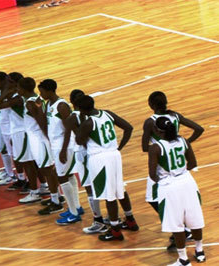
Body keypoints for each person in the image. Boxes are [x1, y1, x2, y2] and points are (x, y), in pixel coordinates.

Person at [142, 91, 204, 250]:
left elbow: (144, 147)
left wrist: (160, 150)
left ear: (151, 105)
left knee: (152, 198)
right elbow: (199, 129)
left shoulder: (150, 122)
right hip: (178, 167)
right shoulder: (175, 116)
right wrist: (185, 144)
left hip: (162, 168)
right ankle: (185, 228)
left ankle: (182, 228)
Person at [76, 94, 138, 240]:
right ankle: (130, 220)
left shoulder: (88, 123)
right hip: (114, 155)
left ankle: (115, 229)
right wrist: (119, 146)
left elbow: (79, 140)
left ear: (80, 109)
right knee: (120, 189)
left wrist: (80, 125)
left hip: (99, 158)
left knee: (109, 195)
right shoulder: (107, 113)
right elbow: (128, 127)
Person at [148, 117, 205, 265]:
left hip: (170, 186)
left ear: (157, 130)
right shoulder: (183, 141)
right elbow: (192, 163)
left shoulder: (156, 147)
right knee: (194, 219)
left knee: (177, 224)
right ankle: (200, 251)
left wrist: (165, 178)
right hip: (188, 183)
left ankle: (184, 260)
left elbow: (152, 174)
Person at [0, 72, 49, 204]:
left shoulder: (19, 98)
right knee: (33, 162)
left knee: (27, 163)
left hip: (22, 132)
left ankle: (34, 192)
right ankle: (43, 186)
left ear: (14, 83)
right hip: (22, 132)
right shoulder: (25, 96)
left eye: (8, 81)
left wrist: (5, 94)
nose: (6, 83)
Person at [38, 79, 83, 225]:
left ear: (49, 90)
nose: (41, 94)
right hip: (56, 145)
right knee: (68, 175)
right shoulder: (48, 104)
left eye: (42, 91)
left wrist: (64, 149)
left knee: (62, 177)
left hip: (64, 146)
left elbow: (69, 129)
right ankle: (76, 207)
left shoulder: (62, 106)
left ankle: (74, 213)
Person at [17, 77, 63, 215]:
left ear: (24, 89)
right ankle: (57, 196)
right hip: (38, 138)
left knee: (47, 170)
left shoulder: (31, 103)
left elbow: (41, 122)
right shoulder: (36, 99)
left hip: (39, 139)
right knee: (46, 169)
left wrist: (47, 138)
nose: (17, 90)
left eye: (18, 88)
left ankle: (56, 201)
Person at [67, 90, 107, 234]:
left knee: (90, 187)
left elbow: (80, 138)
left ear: (72, 102)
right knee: (104, 185)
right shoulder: (95, 115)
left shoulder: (73, 118)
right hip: (98, 152)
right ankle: (111, 218)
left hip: (84, 153)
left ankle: (98, 220)